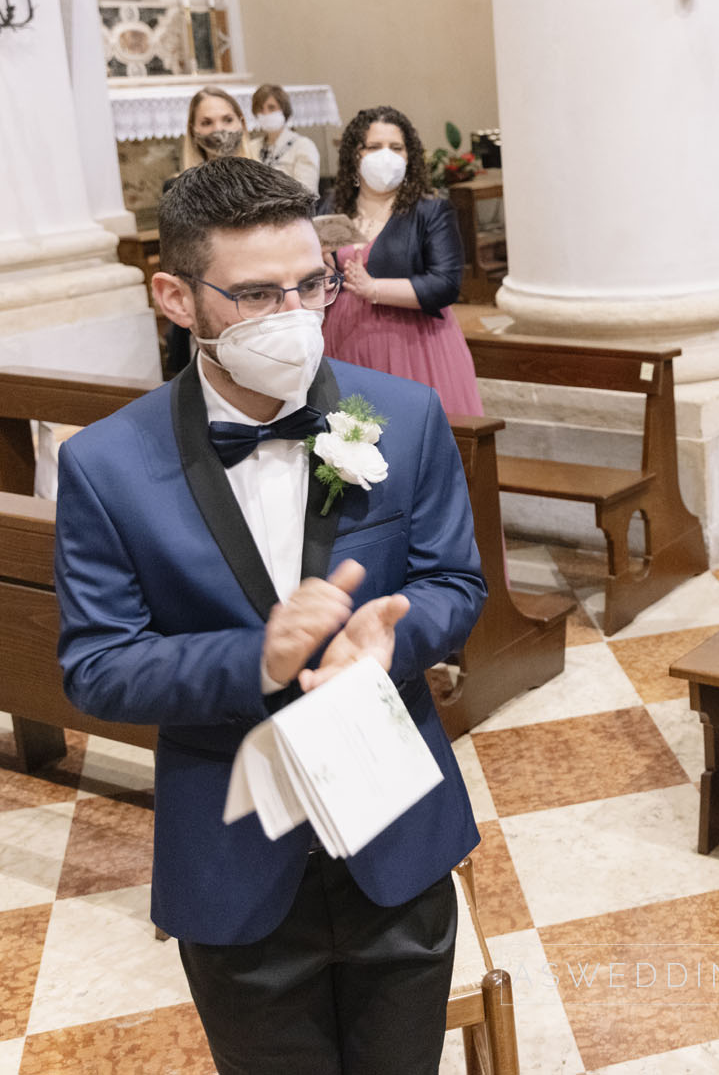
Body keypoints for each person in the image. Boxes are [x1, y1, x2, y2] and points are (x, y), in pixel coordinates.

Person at [54, 156, 487, 1073]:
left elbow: (456, 582)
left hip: (392, 841)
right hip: (236, 854)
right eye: (255, 295)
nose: (293, 317)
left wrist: (392, 644)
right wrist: (257, 656)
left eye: (310, 286)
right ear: (176, 298)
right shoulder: (107, 466)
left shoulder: (403, 419)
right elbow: (98, 665)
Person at [319, 106, 485, 416]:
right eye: (374, 146)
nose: (387, 155)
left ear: (409, 156)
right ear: (355, 154)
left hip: (413, 345)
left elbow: (446, 285)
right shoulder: (330, 207)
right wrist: (322, 268)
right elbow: (320, 284)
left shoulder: (430, 211)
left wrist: (374, 289)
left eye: (396, 148)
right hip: (346, 341)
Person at [164, 87, 258, 375]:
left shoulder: (266, 181)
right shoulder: (177, 188)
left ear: (241, 123)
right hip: (207, 301)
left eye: (227, 120)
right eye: (207, 122)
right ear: (193, 131)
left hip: (258, 300)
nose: (219, 130)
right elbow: (175, 259)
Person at [251, 83, 322, 192]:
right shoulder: (252, 147)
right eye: (260, 109)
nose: (265, 113)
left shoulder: (303, 146)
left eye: (271, 108)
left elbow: (307, 192)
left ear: (284, 110)